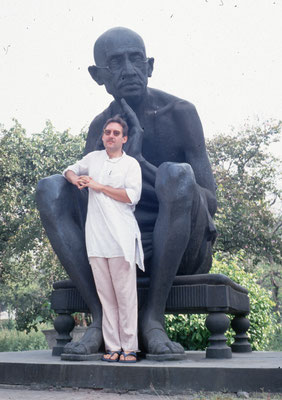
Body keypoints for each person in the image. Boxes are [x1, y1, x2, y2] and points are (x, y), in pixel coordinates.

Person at [36, 27, 217, 357]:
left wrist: (141, 164)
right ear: (98, 76)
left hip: (179, 246)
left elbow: (210, 201)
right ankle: (102, 319)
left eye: (136, 60)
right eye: (116, 63)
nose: (130, 70)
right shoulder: (100, 129)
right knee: (50, 189)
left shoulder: (180, 114)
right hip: (116, 247)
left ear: (149, 66)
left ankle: (153, 320)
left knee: (175, 173)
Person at [63, 116, 143, 363]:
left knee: (125, 296)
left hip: (121, 236)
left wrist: (98, 186)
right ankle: (113, 347)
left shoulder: (131, 165)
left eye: (116, 133)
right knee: (106, 297)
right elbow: (69, 169)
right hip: (96, 238)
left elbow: (131, 196)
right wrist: (74, 179)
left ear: (124, 138)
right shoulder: (94, 159)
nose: (110, 136)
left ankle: (130, 347)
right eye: (107, 132)